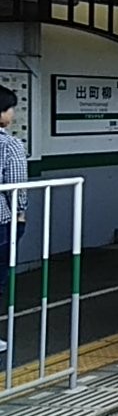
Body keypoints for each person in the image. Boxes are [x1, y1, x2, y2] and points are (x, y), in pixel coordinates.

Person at [0, 86, 28, 354]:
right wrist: (20, 213)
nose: (12, 115)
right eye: (10, 109)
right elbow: (16, 186)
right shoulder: (9, 144)